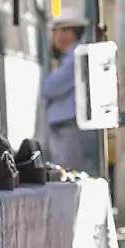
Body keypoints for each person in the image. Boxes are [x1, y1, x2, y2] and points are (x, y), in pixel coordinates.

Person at [40, 14, 97, 173]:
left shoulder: (75, 57)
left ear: (68, 32)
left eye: (56, 31)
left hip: (70, 128)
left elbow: (50, 88)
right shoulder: (70, 57)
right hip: (66, 128)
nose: (54, 36)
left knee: (70, 176)